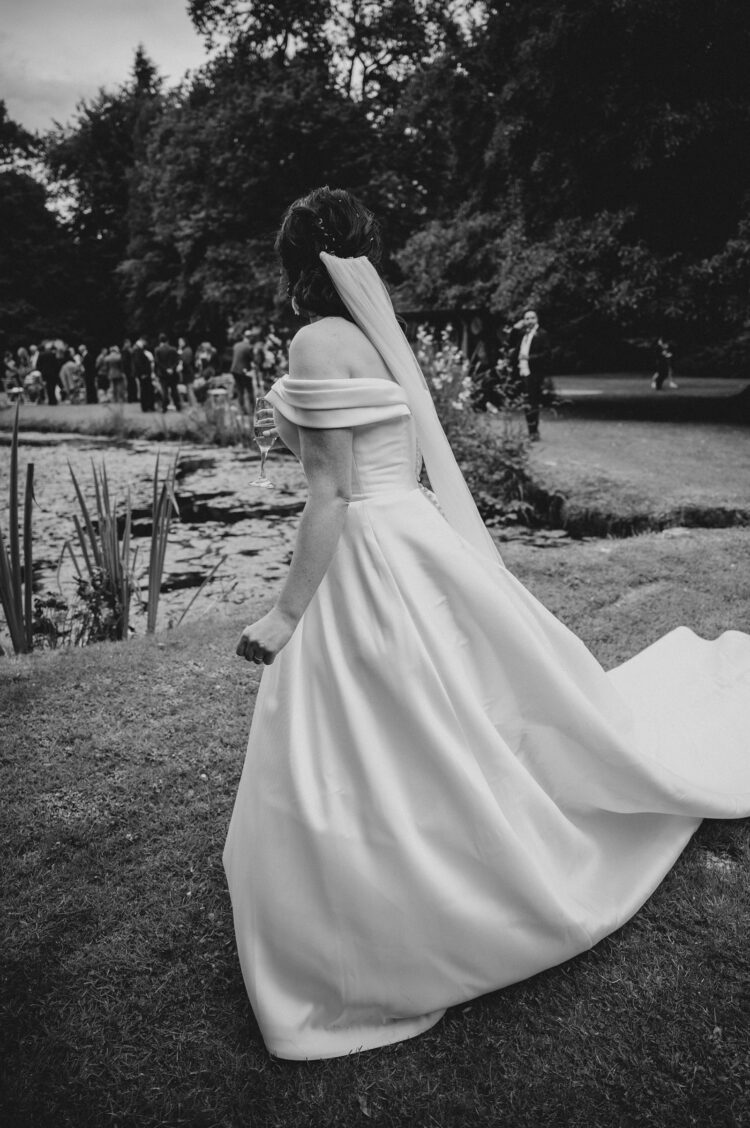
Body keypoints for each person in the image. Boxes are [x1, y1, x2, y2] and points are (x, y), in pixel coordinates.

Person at [224, 186, 750, 1063]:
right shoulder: (371, 335)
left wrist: (287, 612)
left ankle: (407, 898)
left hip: (370, 548)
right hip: (413, 532)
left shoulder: (317, 340)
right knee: (433, 709)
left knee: (385, 717)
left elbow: (331, 493)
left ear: (292, 264)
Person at [508, 309, 550, 440]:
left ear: (536, 319)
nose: (529, 321)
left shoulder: (542, 334)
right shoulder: (522, 334)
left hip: (534, 372)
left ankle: (534, 431)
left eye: (532, 318)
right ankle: (530, 429)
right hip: (522, 371)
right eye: (527, 318)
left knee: (533, 402)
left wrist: (529, 357)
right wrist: (515, 328)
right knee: (525, 402)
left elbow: (547, 354)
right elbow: (510, 343)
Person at [230, 328, 260, 415]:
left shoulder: (236, 345)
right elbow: (254, 360)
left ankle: (243, 411)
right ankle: (253, 410)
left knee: (240, 390)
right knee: (249, 390)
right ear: (250, 338)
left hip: (234, 370)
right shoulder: (249, 347)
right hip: (244, 371)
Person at [154, 333, 181, 412]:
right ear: (167, 340)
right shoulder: (173, 349)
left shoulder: (157, 350)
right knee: (174, 390)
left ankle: (164, 407)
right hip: (173, 373)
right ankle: (178, 405)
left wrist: (165, 369)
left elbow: (158, 362)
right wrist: (172, 368)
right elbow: (177, 361)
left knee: (165, 391)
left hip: (163, 374)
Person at [132, 336, 155, 411]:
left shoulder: (138, 351)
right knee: (146, 390)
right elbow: (139, 363)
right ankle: (147, 406)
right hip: (144, 374)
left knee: (146, 390)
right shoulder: (139, 352)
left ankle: (147, 406)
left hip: (143, 374)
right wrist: (143, 373)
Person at [37, 341, 62, 406]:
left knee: (48, 387)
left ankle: (51, 400)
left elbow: (38, 365)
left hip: (45, 374)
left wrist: (42, 371)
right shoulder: (52, 354)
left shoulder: (41, 355)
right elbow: (56, 364)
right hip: (53, 373)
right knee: (52, 387)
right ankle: (53, 400)